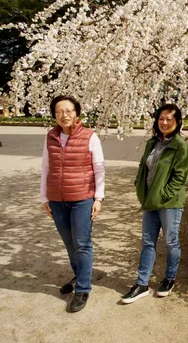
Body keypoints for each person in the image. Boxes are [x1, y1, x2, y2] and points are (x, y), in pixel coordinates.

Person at [40, 95, 105, 313]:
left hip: (82, 199)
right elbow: (46, 168)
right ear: (54, 115)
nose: (64, 115)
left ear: (77, 113)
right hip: (57, 201)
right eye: (59, 111)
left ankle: (83, 289)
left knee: (82, 243)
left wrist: (98, 198)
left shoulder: (89, 137)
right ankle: (80, 276)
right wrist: (44, 197)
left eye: (68, 110)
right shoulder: (50, 137)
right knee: (69, 243)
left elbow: (99, 169)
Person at [122, 103, 188, 303]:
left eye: (169, 119)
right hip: (150, 201)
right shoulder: (152, 143)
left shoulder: (180, 147)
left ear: (177, 123)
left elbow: (180, 178)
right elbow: (143, 167)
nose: (165, 122)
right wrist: (139, 187)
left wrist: (162, 195)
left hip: (170, 203)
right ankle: (141, 283)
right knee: (148, 242)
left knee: (171, 241)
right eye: (161, 118)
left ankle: (169, 279)